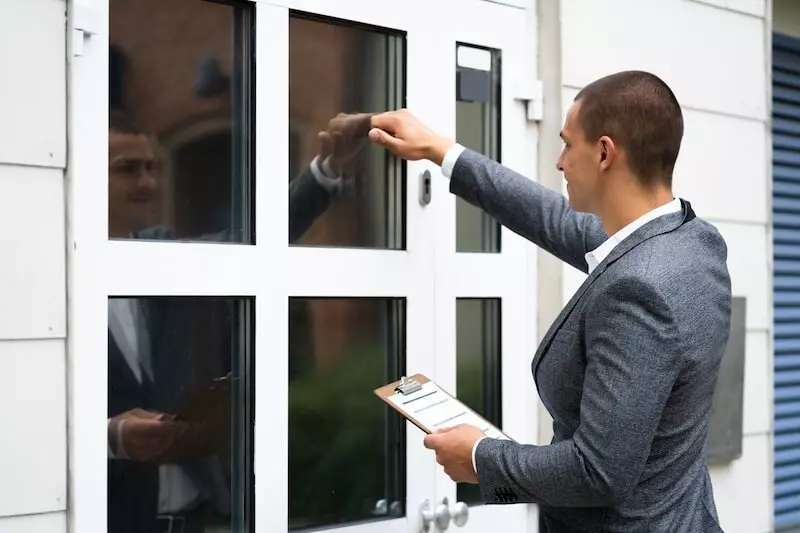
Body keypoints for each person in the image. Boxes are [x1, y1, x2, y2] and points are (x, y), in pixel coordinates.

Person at [365, 70, 731, 532]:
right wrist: (440, 151)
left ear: (603, 152)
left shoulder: (639, 290)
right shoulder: (693, 240)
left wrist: (480, 458)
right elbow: (550, 217)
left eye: (566, 144)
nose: (559, 162)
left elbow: (599, 472)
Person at [106, 110, 370, 533]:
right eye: (127, 169)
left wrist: (326, 171)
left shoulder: (159, 253)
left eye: (152, 168)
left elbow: (249, 245)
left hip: (192, 519)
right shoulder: (55, 279)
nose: (148, 183)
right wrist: (110, 438)